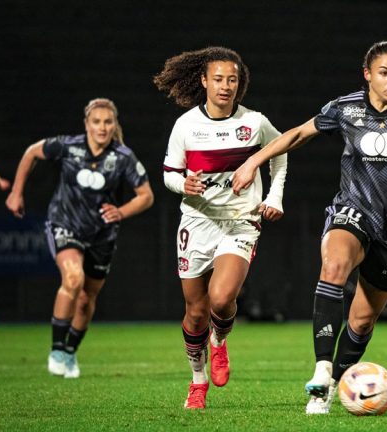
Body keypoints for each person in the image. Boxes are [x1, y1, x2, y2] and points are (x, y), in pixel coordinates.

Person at [231, 40, 387, 414]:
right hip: (352, 210)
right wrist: (254, 161)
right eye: (384, 73)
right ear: (367, 75)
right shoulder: (345, 108)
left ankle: (336, 384)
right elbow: (298, 134)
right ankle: (321, 372)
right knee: (333, 267)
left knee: (362, 321)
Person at [154, 46, 288, 409]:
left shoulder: (254, 122)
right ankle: (197, 382)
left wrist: (273, 196)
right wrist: (184, 185)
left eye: (232, 79)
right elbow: (169, 174)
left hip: (240, 221)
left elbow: (281, 150)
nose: (225, 86)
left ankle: (219, 341)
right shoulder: (186, 125)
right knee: (195, 312)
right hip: (197, 222)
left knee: (221, 298)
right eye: (218, 79)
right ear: (204, 81)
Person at [5, 98, 154, 378]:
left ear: (114, 125)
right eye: (96, 121)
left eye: (108, 122)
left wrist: (121, 212)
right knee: (72, 278)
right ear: (86, 124)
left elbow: (146, 196)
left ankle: (71, 352)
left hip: (101, 235)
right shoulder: (67, 146)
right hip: (65, 224)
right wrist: (16, 192)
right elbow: (31, 154)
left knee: (86, 299)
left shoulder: (122, 157)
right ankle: (57, 349)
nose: (102, 127)